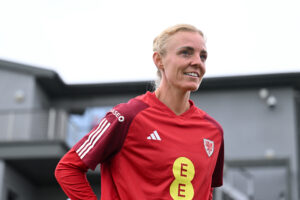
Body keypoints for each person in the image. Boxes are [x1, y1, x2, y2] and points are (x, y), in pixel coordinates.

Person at [55, 24, 224, 200]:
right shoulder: (126, 116)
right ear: (159, 60)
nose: (197, 62)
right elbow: (68, 168)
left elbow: (205, 192)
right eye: (186, 53)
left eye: (203, 56)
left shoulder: (213, 131)